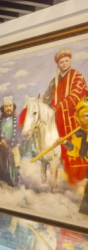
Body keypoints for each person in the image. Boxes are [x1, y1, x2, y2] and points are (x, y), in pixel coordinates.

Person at [41, 49, 88, 186]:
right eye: (61, 62)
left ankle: (80, 178)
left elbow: (76, 95)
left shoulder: (77, 76)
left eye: (67, 61)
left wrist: (58, 106)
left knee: (78, 147)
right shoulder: (54, 81)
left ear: (70, 61)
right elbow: (47, 98)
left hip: (75, 118)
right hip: (59, 118)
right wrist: (45, 109)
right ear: (58, 64)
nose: (64, 64)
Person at [0, 96, 20, 186]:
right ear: (3, 108)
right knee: (4, 164)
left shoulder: (18, 119)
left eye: (10, 106)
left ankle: (15, 181)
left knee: (14, 163)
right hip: (2, 145)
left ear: (13, 106)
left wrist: (16, 144)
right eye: (6, 106)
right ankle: (7, 179)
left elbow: (20, 133)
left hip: (14, 145)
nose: (8, 108)